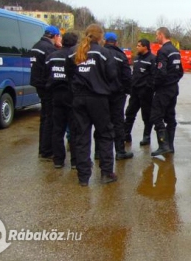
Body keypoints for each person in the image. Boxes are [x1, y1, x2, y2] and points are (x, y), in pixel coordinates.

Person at [65, 24, 118, 186]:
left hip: (79, 99)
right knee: (105, 134)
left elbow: (69, 75)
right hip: (98, 99)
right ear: (100, 37)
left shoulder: (73, 53)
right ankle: (106, 172)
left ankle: (83, 176)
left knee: (81, 136)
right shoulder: (104, 53)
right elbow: (112, 75)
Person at [45, 32, 79, 169]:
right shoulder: (75, 56)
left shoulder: (51, 56)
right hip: (71, 96)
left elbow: (45, 75)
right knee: (75, 129)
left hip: (56, 95)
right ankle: (75, 161)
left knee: (57, 129)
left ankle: (58, 160)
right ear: (75, 43)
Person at [28, 25, 61, 161]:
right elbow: (51, 67)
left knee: (44, 117)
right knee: (49, 118)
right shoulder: (49, 49)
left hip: (37, 84)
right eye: (58, 36)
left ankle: (43, 148)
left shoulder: (36, 45)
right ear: (55, 36)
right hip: (46, 86)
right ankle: (47, 150)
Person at [150, 27, 183, 156]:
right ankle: (170, 146)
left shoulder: (163, 51)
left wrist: (155, 86)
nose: (156, 37)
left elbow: (161, 73)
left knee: (156, 116)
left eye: (157, 35)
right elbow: (180, 71)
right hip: (173, 88)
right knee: (170, 116)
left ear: (161, 35)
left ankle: (163, 145)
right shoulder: (175, 51)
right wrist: (173, 80)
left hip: (164, 89)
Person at [103, 32, 134, 160]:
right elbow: (127, 76)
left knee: (102, 122)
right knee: (118, 122)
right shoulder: (121, 56)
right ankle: (120, 151)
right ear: (116, 42)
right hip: (117, 94)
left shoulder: (99, 53)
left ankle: (99, 152)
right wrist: (128, 90)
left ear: (104, 41)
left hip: (102, 93)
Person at [124, 39, 156, 146]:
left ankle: (146, 136)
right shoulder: (137, 59)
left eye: (139, 46)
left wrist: (148, 87)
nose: (137, 47)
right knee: (129, 113)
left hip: (146, 92)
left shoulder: (152, 59)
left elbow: (153, 77)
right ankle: (126, 134)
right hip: (135, 91)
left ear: (145, 47)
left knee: (146, 115)